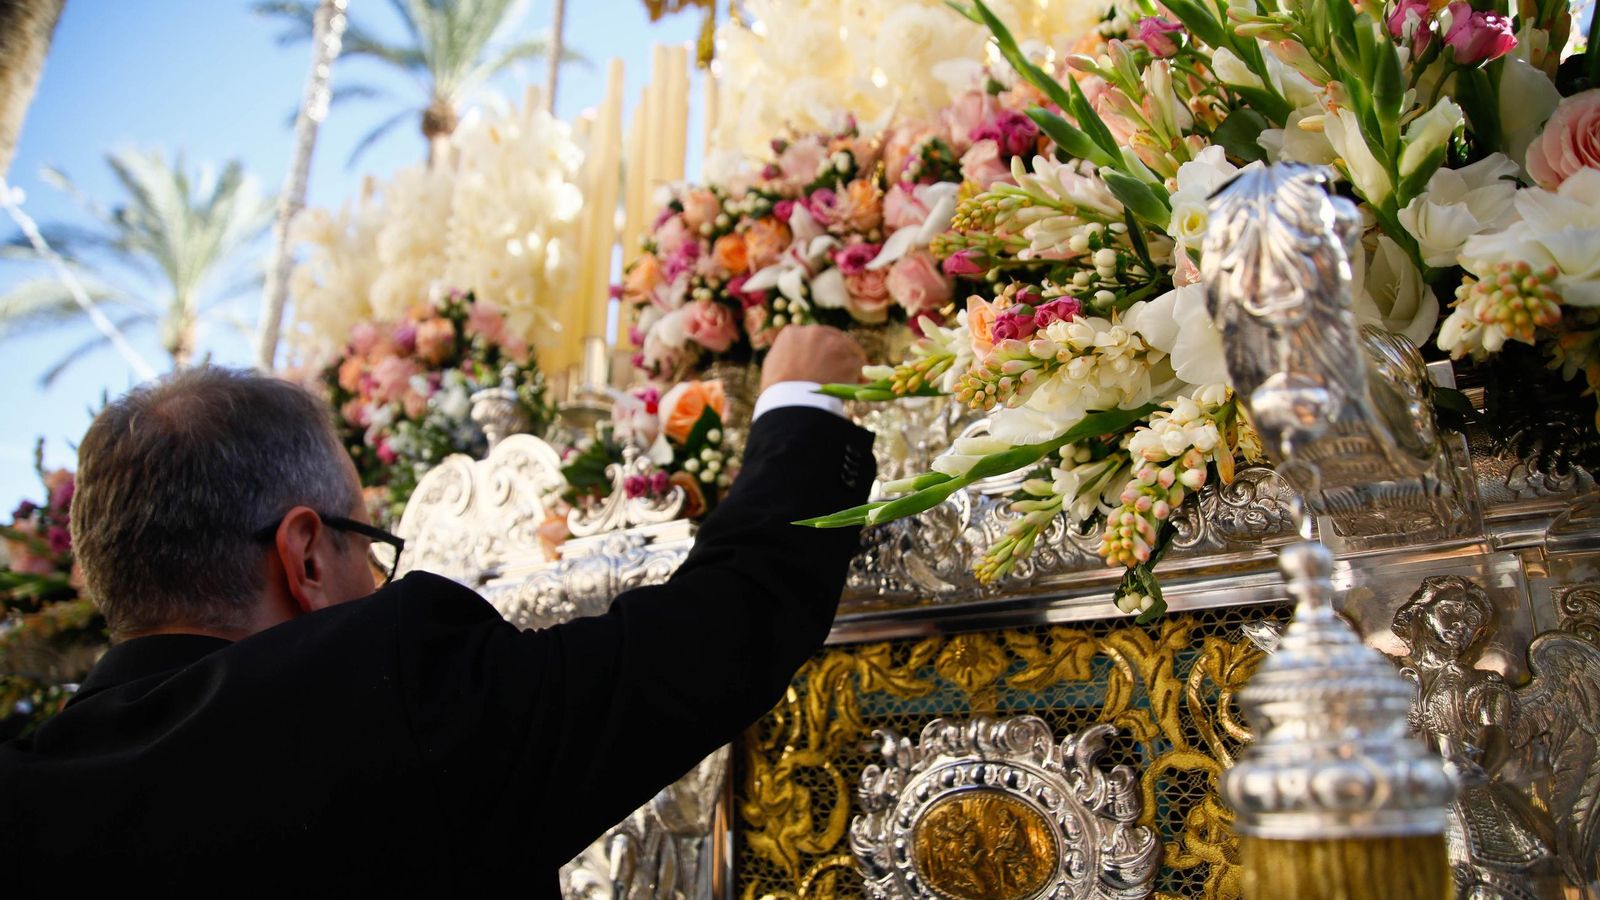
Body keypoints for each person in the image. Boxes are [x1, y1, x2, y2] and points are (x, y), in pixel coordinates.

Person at [0, 325, 874, 895]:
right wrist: (804, 402)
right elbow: (717, 636)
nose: (378, 579)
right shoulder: (380, 690)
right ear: (305, 553)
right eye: (366, 542)